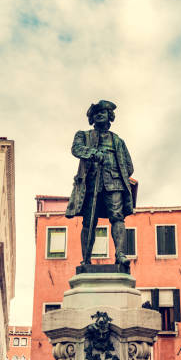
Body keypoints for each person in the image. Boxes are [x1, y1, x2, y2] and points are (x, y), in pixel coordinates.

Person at [66, 100, 135, 266]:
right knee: (89, 221)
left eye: (102, 112)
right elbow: (76, 149)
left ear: (109, 116)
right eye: (95, 113)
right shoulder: (83, 135)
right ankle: (86, 260)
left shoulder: (118, 141)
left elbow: (129, 166)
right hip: (91, 184)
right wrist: (93, 153)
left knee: (117, 217)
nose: (99, 114)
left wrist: (118, 172)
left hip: (114, 184)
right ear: (91, 118)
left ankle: (120, 254)